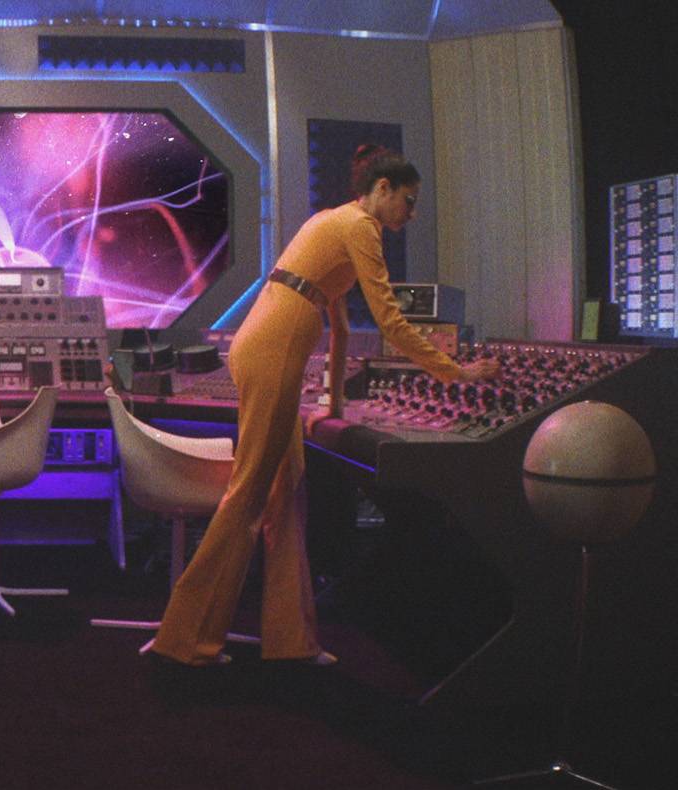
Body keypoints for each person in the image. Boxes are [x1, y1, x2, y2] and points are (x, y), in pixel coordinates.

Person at [144, 145, 499, 667]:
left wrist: (332, 401)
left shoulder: (333, 221)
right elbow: (390, 322)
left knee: (287, 495)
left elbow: (340, 325)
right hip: (275, 346)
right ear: (382, 189)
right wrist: (455, 371)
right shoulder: (361, 227)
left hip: (266, 341)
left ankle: (291, 642)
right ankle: (183, 640)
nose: (411, 213)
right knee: (248, 496)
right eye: (409, 200)